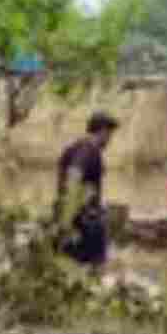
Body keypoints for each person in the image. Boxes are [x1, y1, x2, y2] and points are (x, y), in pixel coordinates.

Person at [55, 112, 116, 268]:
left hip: (77, 218)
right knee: (91, 270)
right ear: (102, 131)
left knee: (69, 268)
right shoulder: (88, 150)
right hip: (83, 222)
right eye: (109, 134)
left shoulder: (76, 147)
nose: (110, 140)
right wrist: (66, 221)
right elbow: (74, 177)